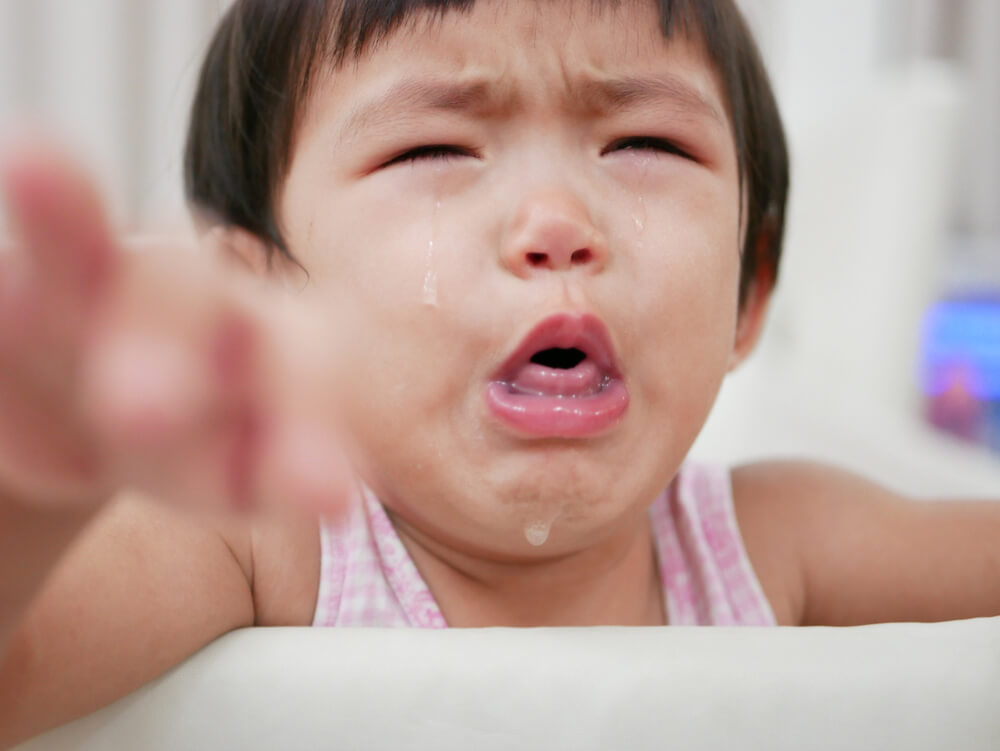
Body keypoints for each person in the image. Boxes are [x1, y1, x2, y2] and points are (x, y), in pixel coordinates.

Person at [1, 0, 998, 746]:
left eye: (644, 141)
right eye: (435, 145)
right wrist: (39, 488)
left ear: (748, 294)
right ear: (267, 298)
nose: (557, 221)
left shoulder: (776, 543)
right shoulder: (271, 542)